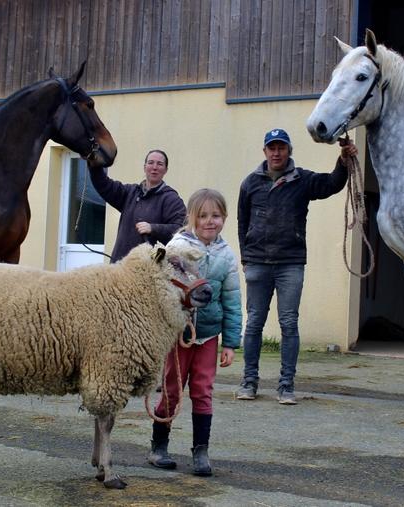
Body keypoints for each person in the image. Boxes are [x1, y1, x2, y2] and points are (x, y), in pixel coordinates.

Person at [236, 128, 358, 405]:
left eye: (281, 147)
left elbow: (332, 184)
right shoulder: (250, 183)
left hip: (290, 263)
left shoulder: (302, 180)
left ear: (289, 150)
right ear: (265, 151)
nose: (276, 152)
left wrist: (343, 161)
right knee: (254, 323)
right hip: (257, 263)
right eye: (271, 148)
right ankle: (249, 381)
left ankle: (286, 386)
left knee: (289, 324)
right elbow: (242, 222)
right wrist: (245, 258)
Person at [147, 188, 242, 477]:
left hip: (209, 334)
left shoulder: (226, 255)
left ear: (224, 218)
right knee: (173, 389)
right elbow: (161, 287)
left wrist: (231, 342)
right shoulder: (176, 247)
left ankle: (201, 451)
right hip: (179, 333)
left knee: (203, 391)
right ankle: (158, 447)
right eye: (203, 216)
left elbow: (232, 299)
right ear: (191, 218)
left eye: (216, 215)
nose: (210, 221)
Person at [88, 149, 186, 262]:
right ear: (145, 167)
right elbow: (104, 185)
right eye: (150, 162)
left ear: (165, 170)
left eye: (160, 164)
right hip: (119, 267)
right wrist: (94, 164)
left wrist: (153, 228)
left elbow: (180, 231)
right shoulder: (130, 192)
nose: (154, 167)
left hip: (148, 271)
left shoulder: (171, 199)